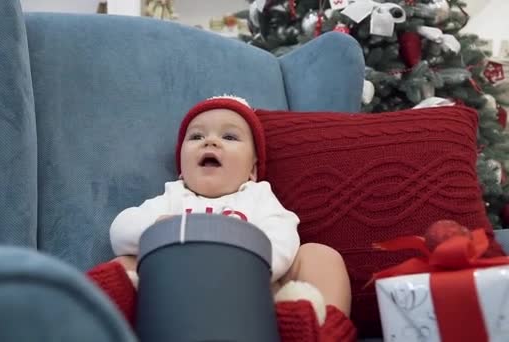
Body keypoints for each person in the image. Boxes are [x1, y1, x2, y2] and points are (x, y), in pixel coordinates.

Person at [87, 96, 356, 341]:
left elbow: (283, 232)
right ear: (181, 169)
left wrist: (251, 265)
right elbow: (121, 229)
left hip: (253, 298)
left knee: (319, 256)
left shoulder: (256, 196)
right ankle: (107, 322)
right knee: (124, 263)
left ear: (252, 169)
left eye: (229, 136)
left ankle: (317, 328)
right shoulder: (173, 197)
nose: (210, 141)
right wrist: (156, 229)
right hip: (172, 297)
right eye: (196, 137)